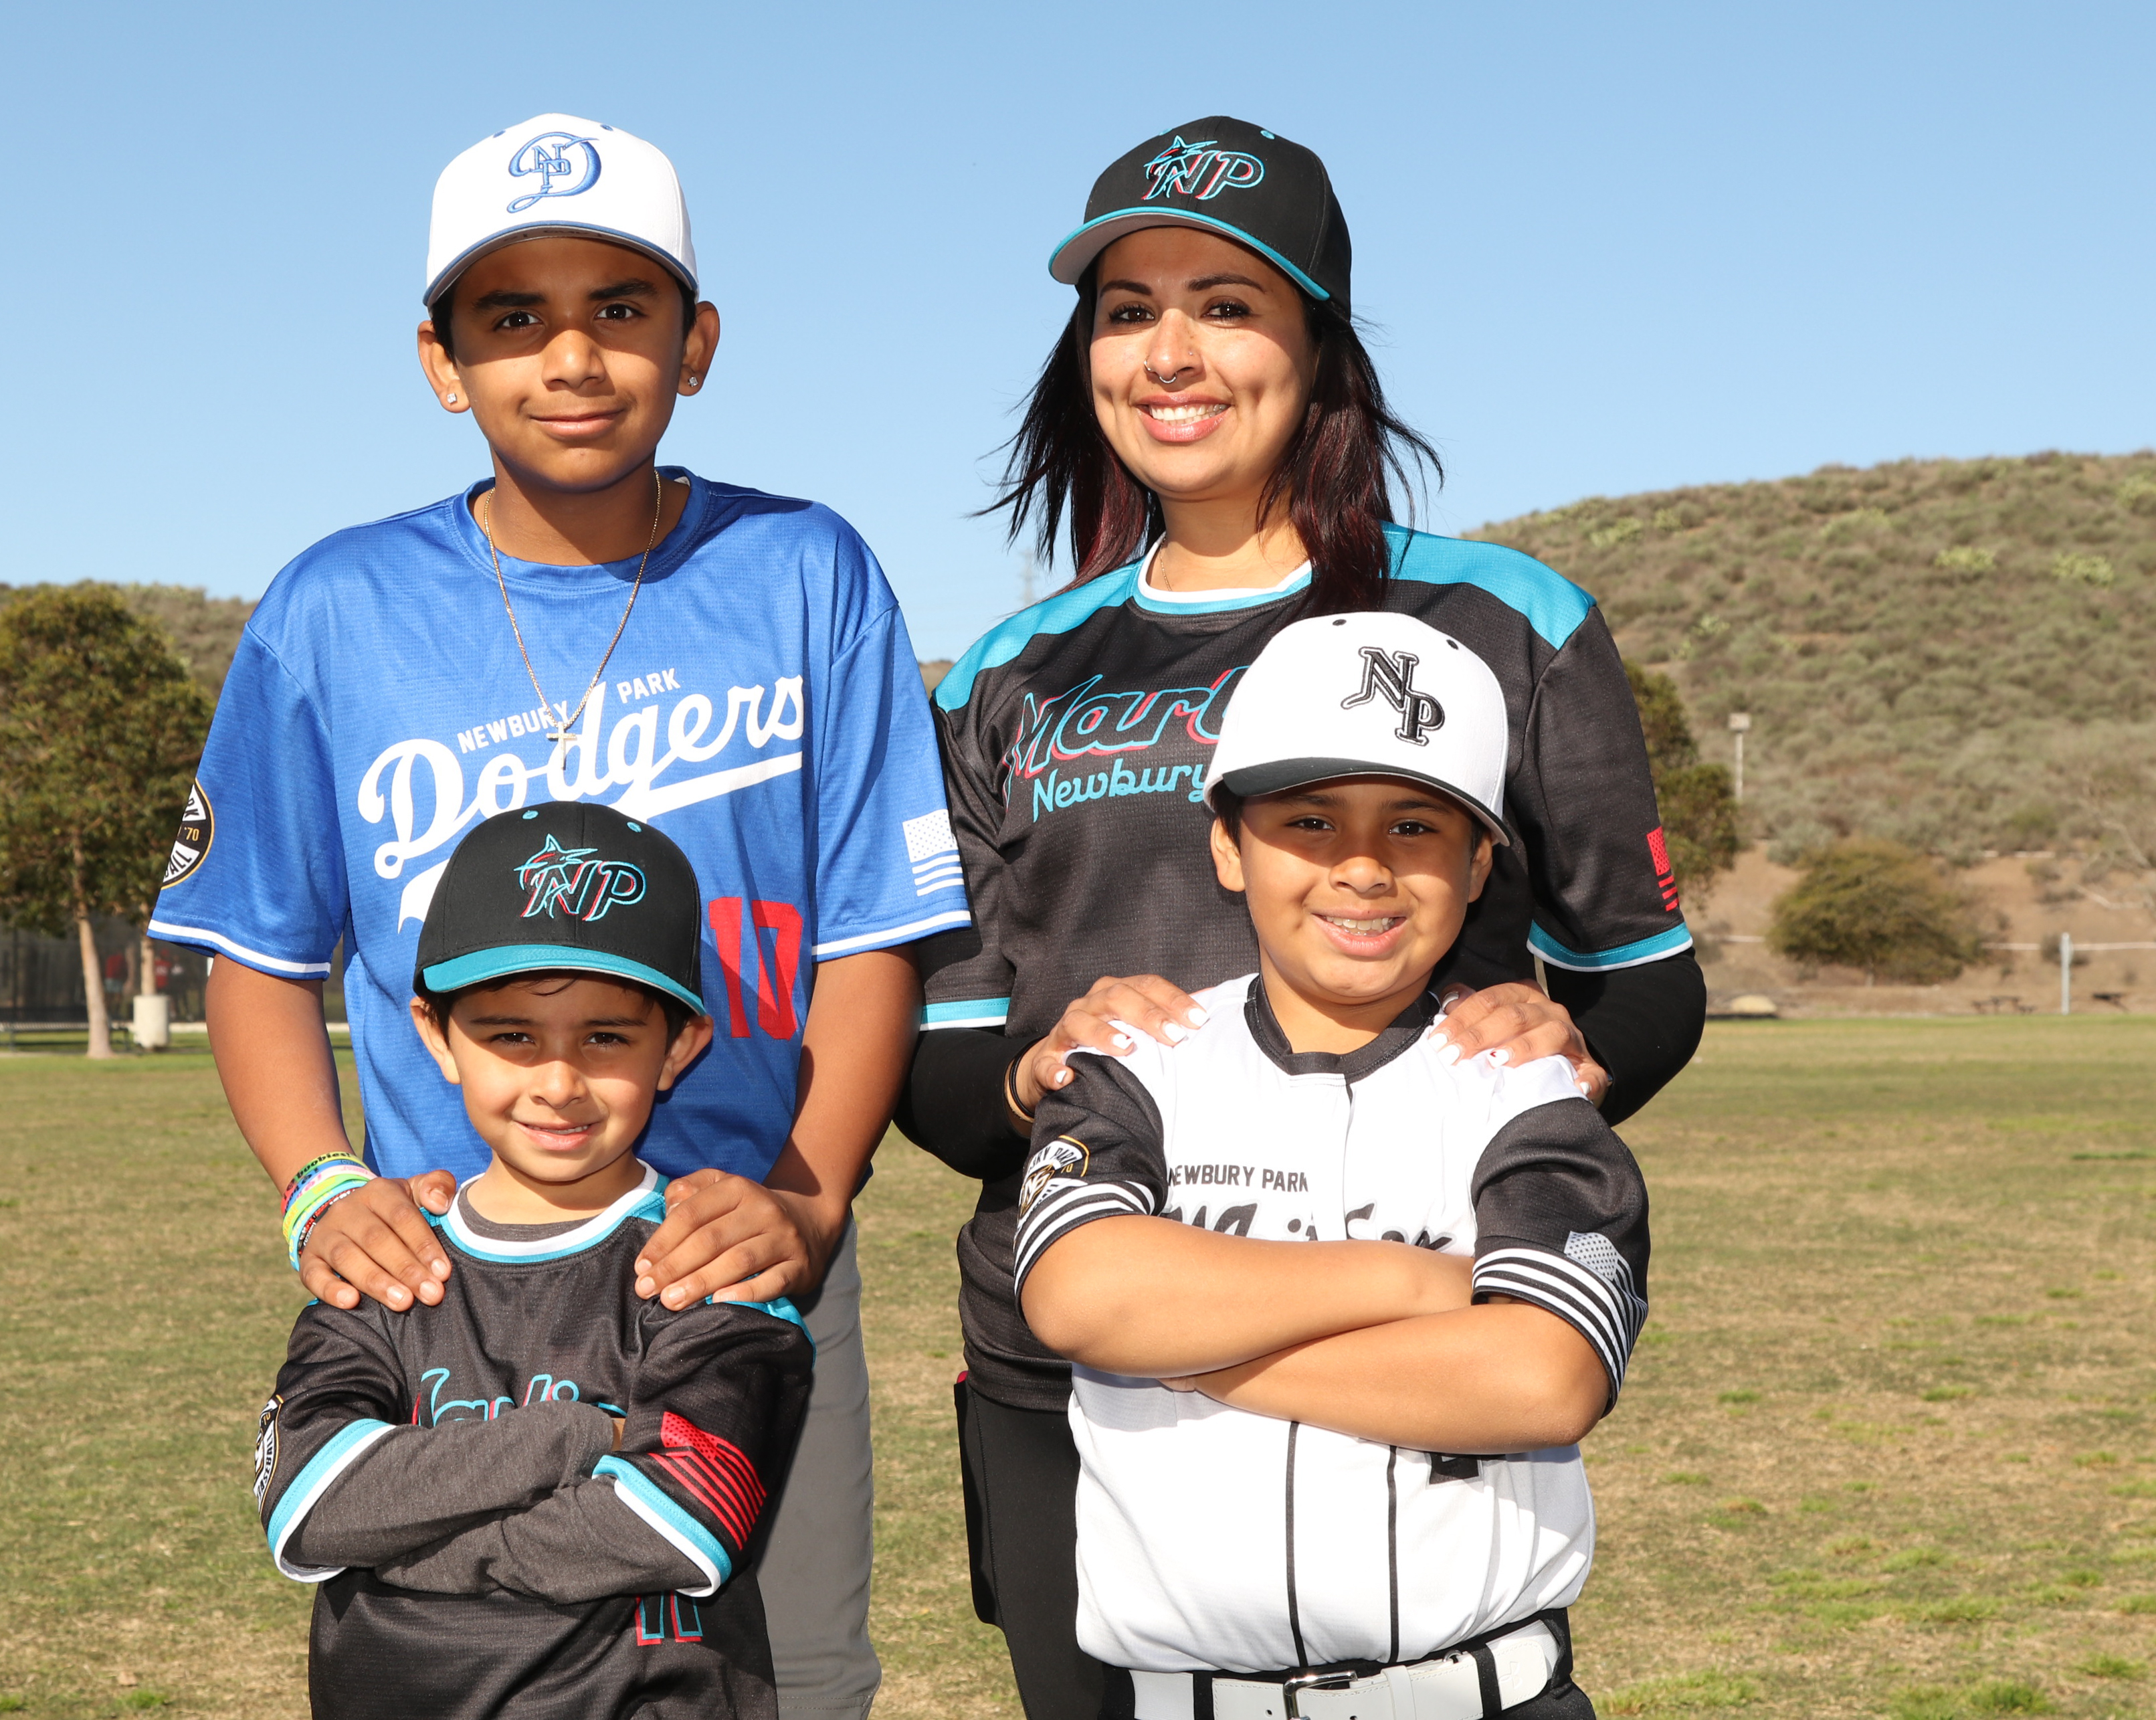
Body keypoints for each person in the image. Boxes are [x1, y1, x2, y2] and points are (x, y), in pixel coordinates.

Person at [157, 113, 964, 1720]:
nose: (572, 356)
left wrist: (805, 1200)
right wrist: (320, 1181)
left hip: (730, 1250)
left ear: (697, 341)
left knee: (789, 1670)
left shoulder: (805, 569)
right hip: (449, 1269)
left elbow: (872, 929)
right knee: (451, 1656)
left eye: (621, 307)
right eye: (512, 316)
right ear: (442, 361)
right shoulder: (337, 605)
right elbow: (258, 947)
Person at [897, 116, 1702, 1716]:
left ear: (1320, 342)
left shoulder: (1502, 618)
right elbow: (940, 1059)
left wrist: (1557, 1048)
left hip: (1426, 1334)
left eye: (1228, 303)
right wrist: (1035, 1072)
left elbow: (1643, 979)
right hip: (1074, 1360)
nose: (1170, 352)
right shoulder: (1004, 672)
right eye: (1127, 310)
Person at [1015, 613, 1647, 1720]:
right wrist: (1413, 1283)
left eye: (1416, 825)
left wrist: (1192, 1357)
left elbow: (1543, 1379)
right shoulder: (1134, 1060)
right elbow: (1082, 1296)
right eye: (1309, 821)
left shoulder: (1528, 1082)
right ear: (1229, 847)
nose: (1362, 868)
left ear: (1479, 863)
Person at [257, 801, 813, 1720]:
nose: (558, 1082)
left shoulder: (708, 1265)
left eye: (606, 1037)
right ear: (437, 1035)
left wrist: (396, 1546)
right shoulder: (386, 1259)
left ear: (678, 1046)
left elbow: (677, 1519)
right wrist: (578, 1439)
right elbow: (308, 1501)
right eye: (512, 1035)